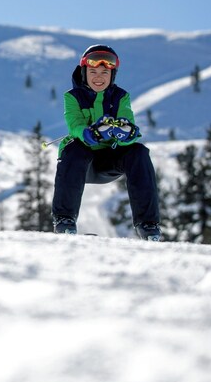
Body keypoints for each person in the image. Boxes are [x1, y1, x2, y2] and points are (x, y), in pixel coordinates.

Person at [51, 44, 162, 241]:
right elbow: (74, 124)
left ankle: (148, 224)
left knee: (139, 152)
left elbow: (128, 123)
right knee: (74, 148)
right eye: (93, 71)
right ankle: (64, 219)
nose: (99, 77)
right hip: (81, 164)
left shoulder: (120, 97)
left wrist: (127, 134)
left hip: (108, 162)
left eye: (104, 72)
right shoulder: (73, 97)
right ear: (84, 72)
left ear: (112, 75)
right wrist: (89, 134)